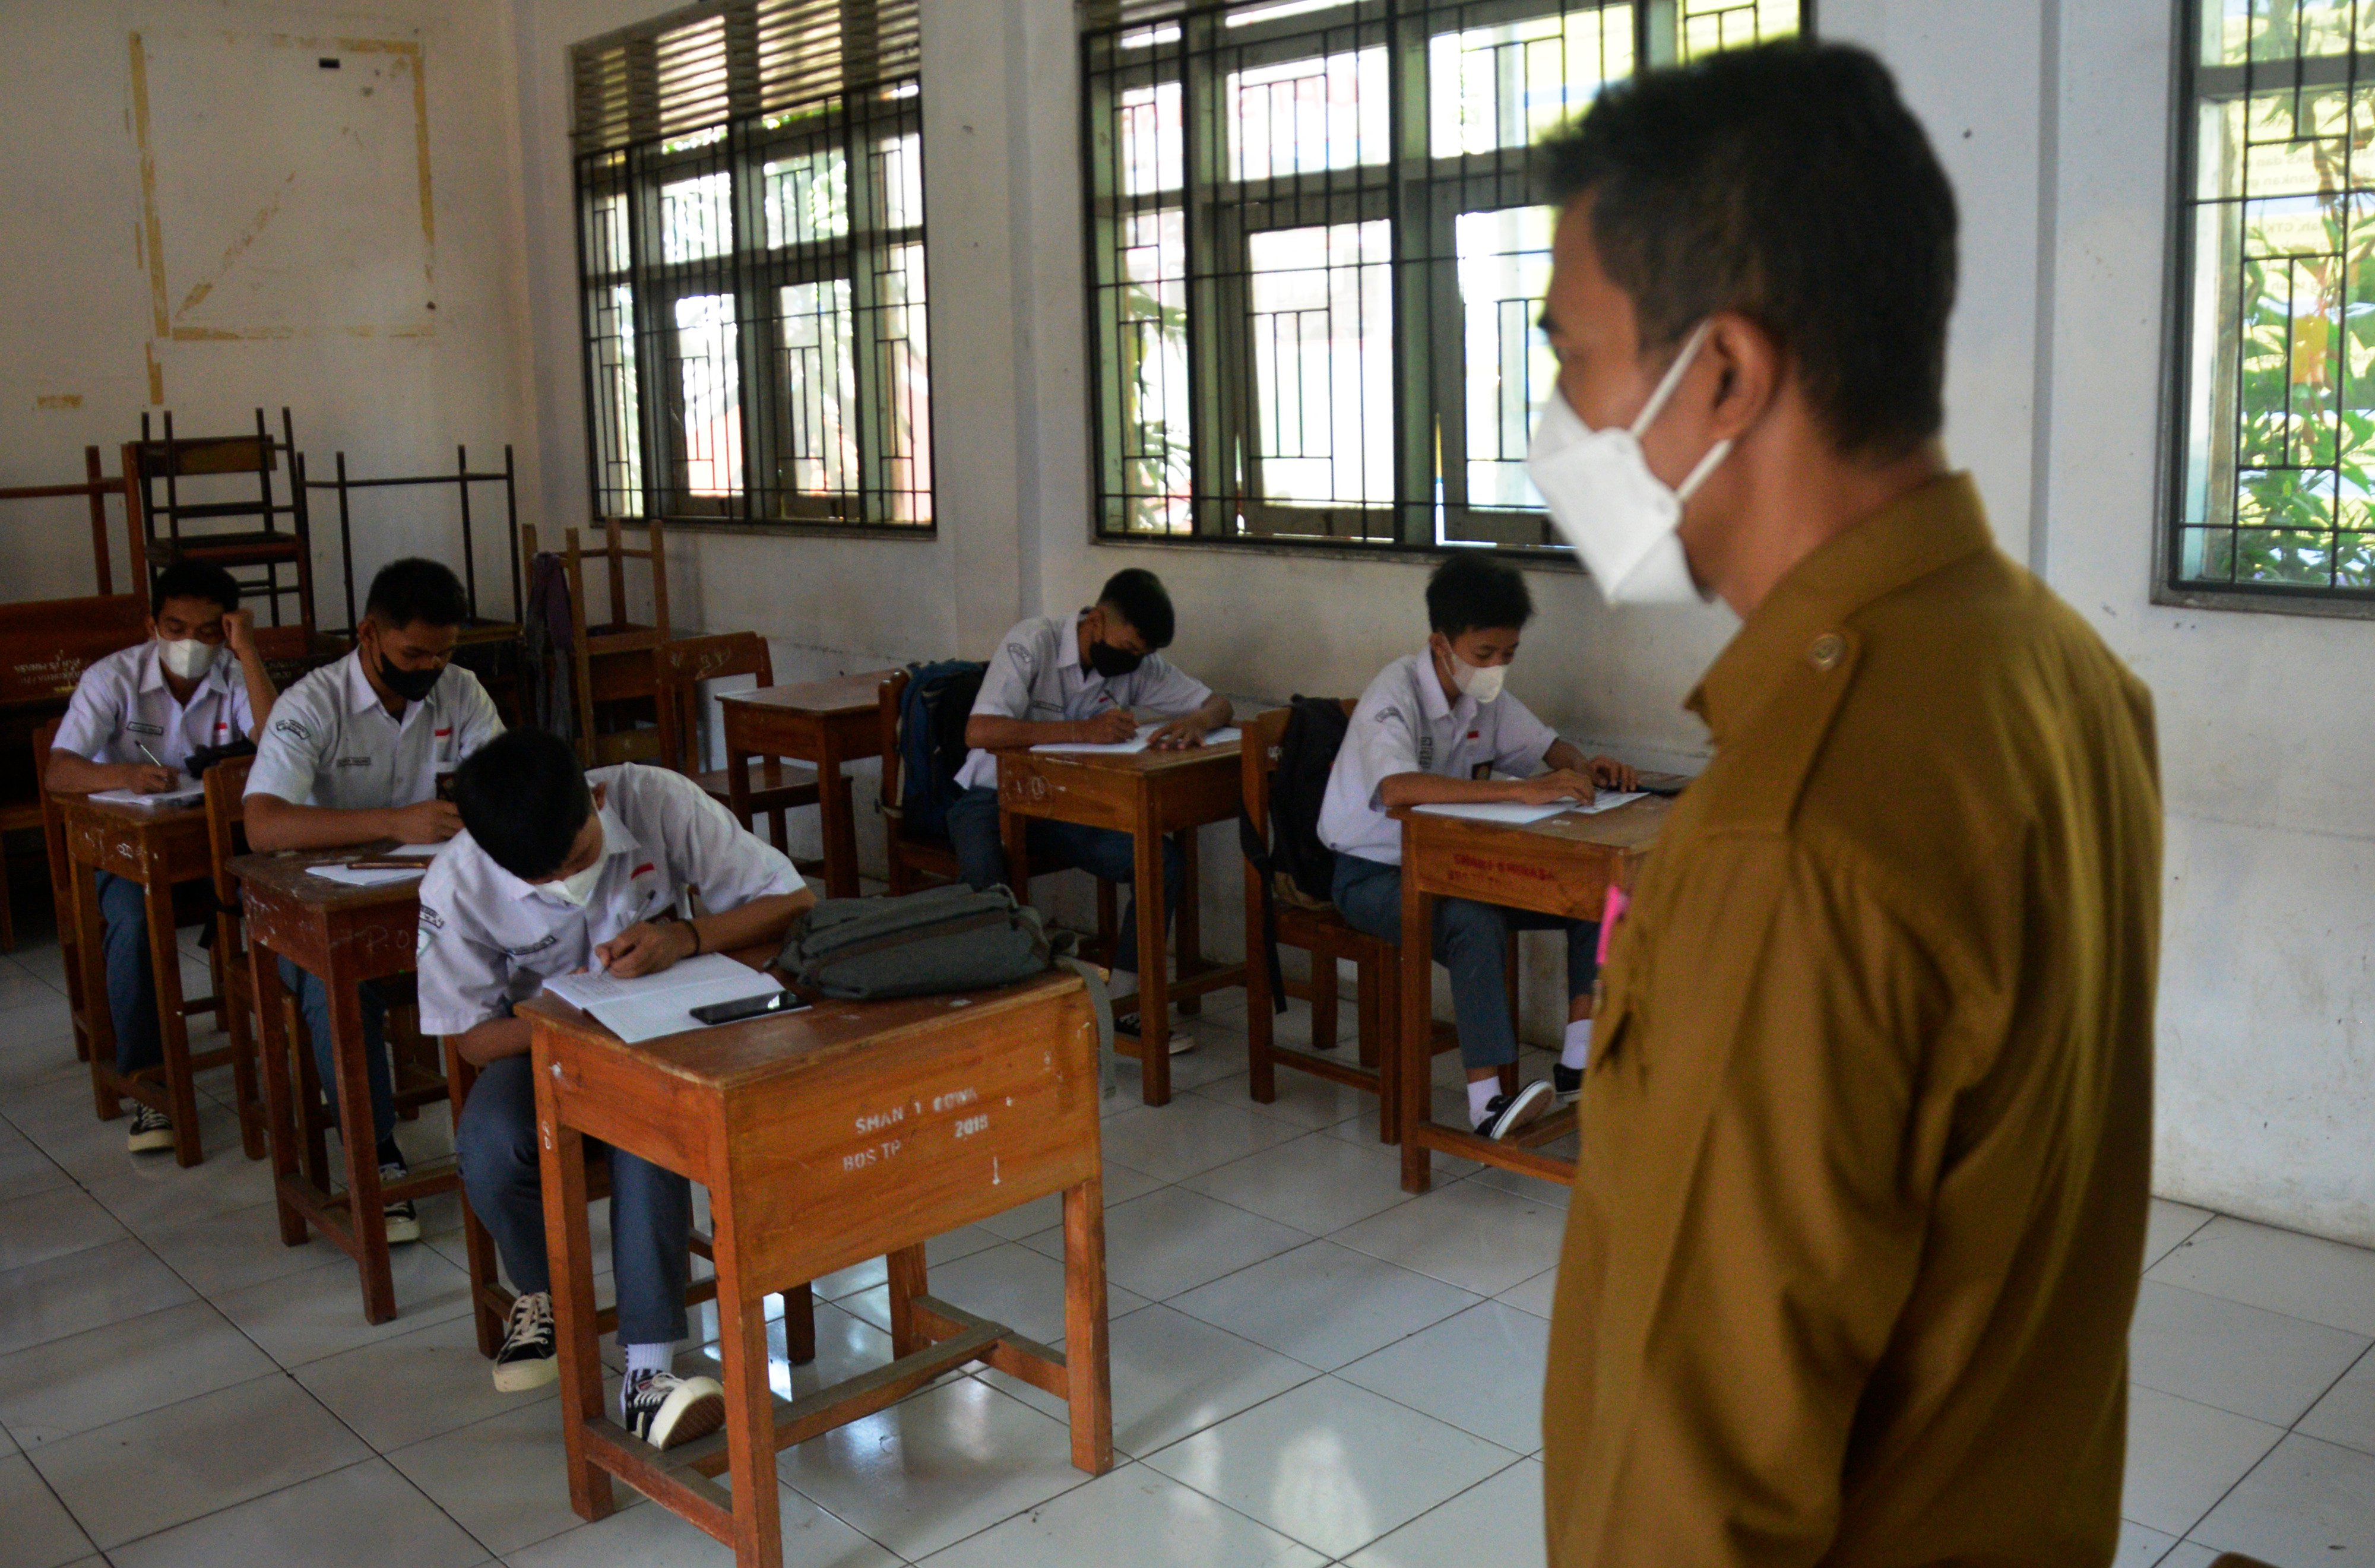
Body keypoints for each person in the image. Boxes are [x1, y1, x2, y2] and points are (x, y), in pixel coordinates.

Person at [1527, 42, 2161, 1567]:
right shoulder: (2061, 675)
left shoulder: (1791, 835)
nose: (1557, 411)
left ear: (1725, 374)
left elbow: (1692, 1496)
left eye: (1572, 353)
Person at [417, 728, 812, 1450]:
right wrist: (578, 1017)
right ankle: (542, 1293)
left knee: (645, 1120)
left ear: (596, 799)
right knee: (488, 1144)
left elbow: (791, 900)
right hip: (541, 1044)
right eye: (541, 881)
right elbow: (474, 1039)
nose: (568, 882)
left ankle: (646, 1371)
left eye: (577, 859)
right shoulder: (455, 882)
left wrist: (686, 937)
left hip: (667, 1029)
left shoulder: (653, 797)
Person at [1318, 554, 1637, 1140]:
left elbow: (1550, 748)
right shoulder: (1395, 692)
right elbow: (1397, 787)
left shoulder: (1485, 699)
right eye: (1484, 654)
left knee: (1601, 890)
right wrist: (1521, 792)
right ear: (1440, 643)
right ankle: (1486, 1104)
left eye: (1508, 655)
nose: (1495, 668)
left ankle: (1578, 1060)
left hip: (1459, 867)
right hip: (1372, 874)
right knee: (1473, 917)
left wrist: (1583, 766)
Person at [245, 558, 504, 1241]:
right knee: (337, 988)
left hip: (436, 901)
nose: (430, 667)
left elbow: (501, 785)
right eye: (414, 652)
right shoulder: (311, 705)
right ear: (368, 632)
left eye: (444, 652)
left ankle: (506, 1149)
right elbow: (264, 823)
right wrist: (395, 822)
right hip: (327, 911)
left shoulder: (461, 691)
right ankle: (378, 1156)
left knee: (526, 951)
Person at [46, 559, 279, 1152]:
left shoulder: (235, 671)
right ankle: (151, 1086)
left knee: (292, 903)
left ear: (226, 629)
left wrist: (247, 652)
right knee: (130, 920)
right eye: (175, 628)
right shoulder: (113, 679)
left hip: (216, 849)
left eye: (207, 632)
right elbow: (60, 771)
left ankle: (299, 1069)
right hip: (133, 851)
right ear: (153, 624)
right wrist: (122, 772)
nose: (189, 644)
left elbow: (281, 745)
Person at [947, 568, 1231, 1034]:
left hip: (1065, 808)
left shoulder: (1137, 664)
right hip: (990, 795)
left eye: (1144, 655)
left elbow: (1219, 703)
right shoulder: (1032, 641)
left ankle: (1123, 1003)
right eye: (1129, 649)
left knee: (1160, 860)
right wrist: (1081, 732)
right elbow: (981, 731)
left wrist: (1199, 721)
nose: (1135, 662)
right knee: (986, 889)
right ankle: (1003, 1017)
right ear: (1096, 621)